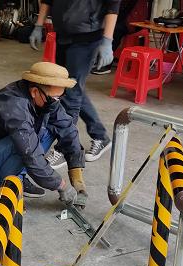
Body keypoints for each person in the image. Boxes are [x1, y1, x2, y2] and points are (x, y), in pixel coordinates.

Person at [0, 61, 88, 209]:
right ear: (35, 92)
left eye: (60, 97)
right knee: (24, 142)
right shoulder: (15, 105)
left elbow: (68, 129)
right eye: (55, 98)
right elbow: (30, 153)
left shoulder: (45, 98)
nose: (57, 102)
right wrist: (61, 186)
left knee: (51, 128)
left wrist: (77, 178)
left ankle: (17, 175)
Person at [29, 0, 119, 167]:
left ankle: (65, 149)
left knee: (71, 93)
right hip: (64, 35)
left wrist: (107, 41)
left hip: (88, 37)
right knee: (69, 88)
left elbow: (113, 5)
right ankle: (100, 135)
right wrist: (39, 25)